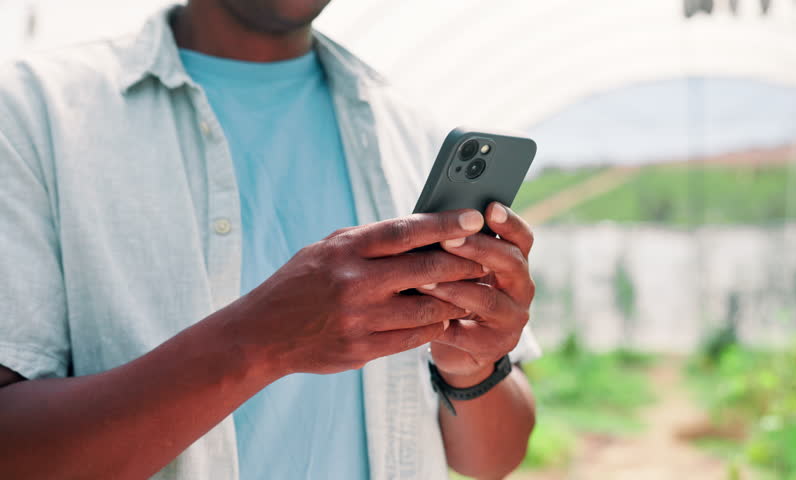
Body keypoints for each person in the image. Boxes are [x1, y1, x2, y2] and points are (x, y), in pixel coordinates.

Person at [0, 1, 540, 479]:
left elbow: (492, 459)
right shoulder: (32, 115)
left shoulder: (408, 127)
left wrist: (471, 366)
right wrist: (259, 342)